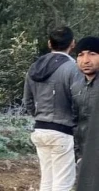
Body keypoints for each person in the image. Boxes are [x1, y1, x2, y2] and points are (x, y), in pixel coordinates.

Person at [23, 26, 84, 191]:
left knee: (47, 181)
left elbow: (27, 101)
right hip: (63, 131)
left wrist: (39, 115)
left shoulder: (34, 66)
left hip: (40, 130)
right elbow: (79, 102)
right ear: (72, 44)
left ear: (49, 43)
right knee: (62, 184)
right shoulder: (73, 68)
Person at [71, 36, 99, 166]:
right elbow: (75, 122)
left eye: (92, 54)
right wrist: (78, 155)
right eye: (81, 55)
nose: (86, 60)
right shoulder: (76, 87)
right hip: (85, 155)